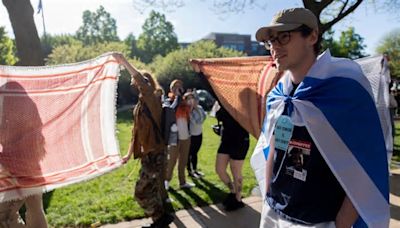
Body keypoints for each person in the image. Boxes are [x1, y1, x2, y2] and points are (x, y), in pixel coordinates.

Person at [254, 7, 389, 228]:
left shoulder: (345, 88)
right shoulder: (279, 94)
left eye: (284, 37)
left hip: (318, 220)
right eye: (270, 42)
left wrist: (342, 223)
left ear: (313, 36)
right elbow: (275, 143)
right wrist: (268, 192)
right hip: (274, 211)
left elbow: (366, 162)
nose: (274, 47)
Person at [114, 54, 174, 228]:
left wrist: (124, 61)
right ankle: (160, 220)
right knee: (151, 192)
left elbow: (142, 82)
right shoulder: (141, 105)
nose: (135, 84)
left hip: (156, 154)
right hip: (149, 154)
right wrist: (128, 154)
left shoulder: (153, 99)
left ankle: (161, 219)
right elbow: (136, 133)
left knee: (141, 193)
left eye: (138, 82)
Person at [215, 106, 249, 211]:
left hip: (240, 139)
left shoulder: (243, 105)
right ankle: (233, 191)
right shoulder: (223, 102)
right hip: (226, 139)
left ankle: (238, 199)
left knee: (236, 171)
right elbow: (218, 115)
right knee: (220, 169)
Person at [165, 92, 196, 189]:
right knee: (172, 161)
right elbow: (171, 110)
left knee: (183, 161)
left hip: (186, 137)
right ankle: (166, 181)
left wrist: (191, 105)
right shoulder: (170, 103)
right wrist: (177, 98)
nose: (190, 100)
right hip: (175, 137)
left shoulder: (187, 109)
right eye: (188, 98)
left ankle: (182, 182)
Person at [186, 91, 207, 178]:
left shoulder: (200, 108)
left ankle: (195, 170)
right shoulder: (187, 111)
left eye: (193, 99)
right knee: (189, 153)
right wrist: (191, 111)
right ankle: (190, 171)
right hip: (191, 135)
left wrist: (196, 109)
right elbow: (195, 122)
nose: (192, 101)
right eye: (189, 99)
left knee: (195, 153)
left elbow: (203, 119)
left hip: (199, 134)